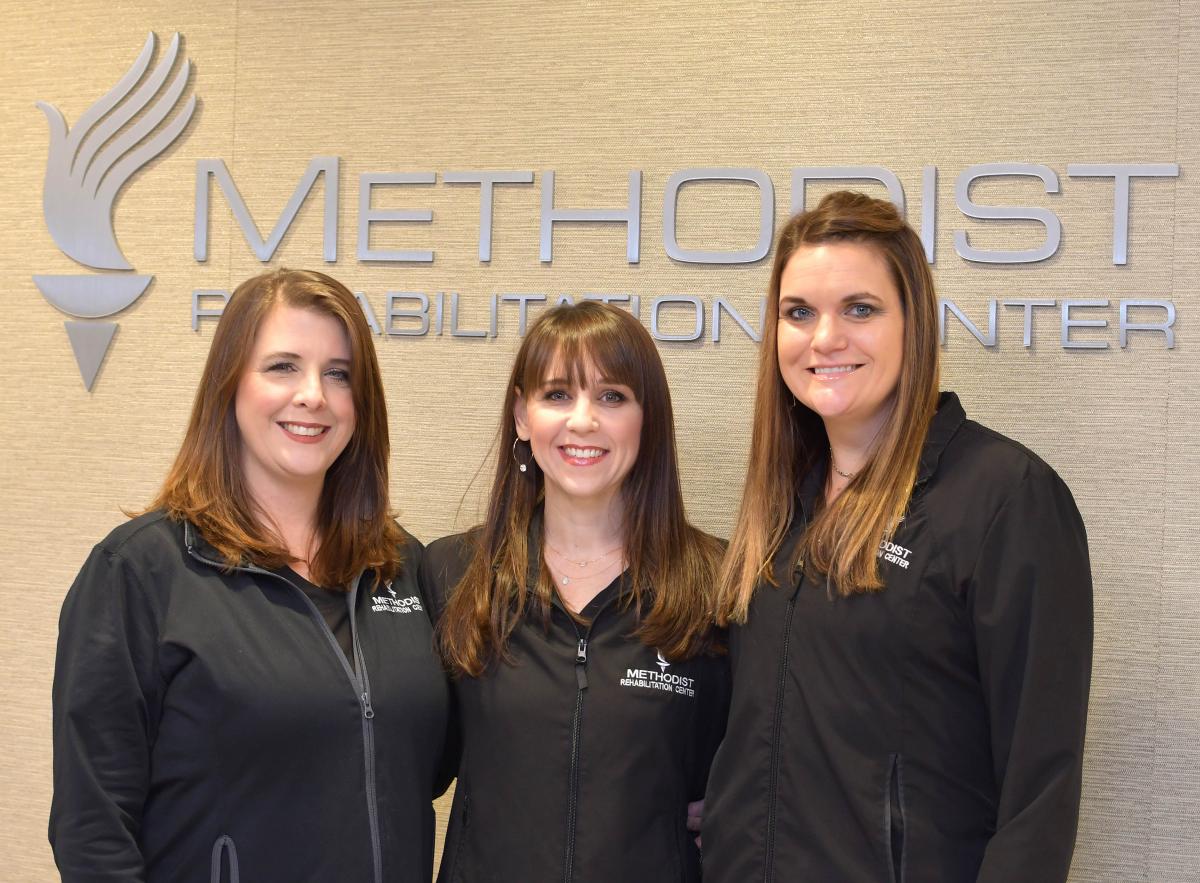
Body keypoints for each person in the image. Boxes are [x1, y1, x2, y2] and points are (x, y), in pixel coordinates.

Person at [702, 191, 1093, 883]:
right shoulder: (781, 503)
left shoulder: (1004, 497)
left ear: (913, 323)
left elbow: (1040, 794)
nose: (825, 338)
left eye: (860, 308)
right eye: (799, 312)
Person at [49, 269, 451, 883]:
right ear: (229, 385)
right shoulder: (141, 571)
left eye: (338, 374)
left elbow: (426, 760)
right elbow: (92, 826)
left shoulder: (400, 566)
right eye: (282, 366)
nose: (313, 394)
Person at [424, 300, 729, 883]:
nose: (583, 421)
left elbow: (764, 750)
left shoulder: (716, 583)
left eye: (612, 397)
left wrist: (740, 806)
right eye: (557, 394)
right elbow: (404, 754)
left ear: (648, 418)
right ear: (521, 415)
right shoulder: (451, 573)